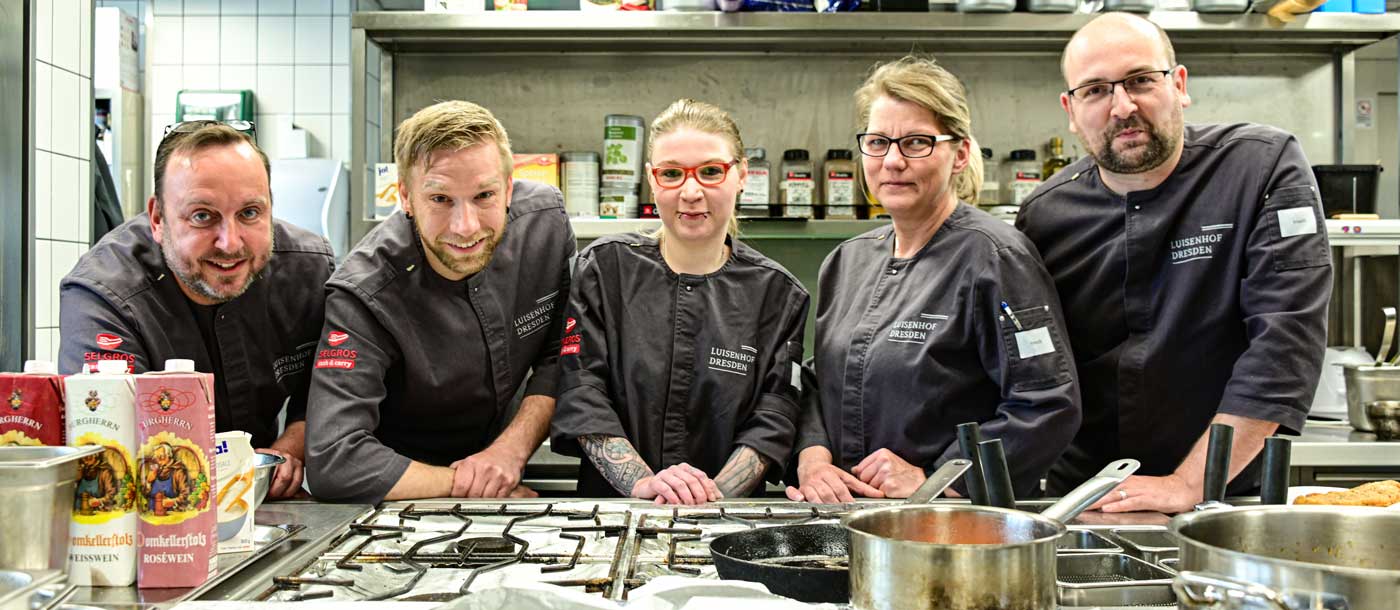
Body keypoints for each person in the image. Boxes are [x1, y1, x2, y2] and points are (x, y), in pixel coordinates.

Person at [1016, 13, 1331, 514]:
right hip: (1084, 498)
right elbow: (1025, 366)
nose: (1123, 107)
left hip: (1227, 494)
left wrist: (1189, 484)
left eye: (1141, 80)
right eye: (1095, 90)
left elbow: (1285, 339)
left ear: (1179, 84)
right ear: (1071, 110)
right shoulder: (1044, 214)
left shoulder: (1261, 167)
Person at [787, 56, 1081, 504]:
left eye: (917, 143)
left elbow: (1047, 403)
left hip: (950, 525)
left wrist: (939, 478)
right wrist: (813, 458)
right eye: (878, 142)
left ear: (959, 154)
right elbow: (820, 378)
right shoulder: (847, 261)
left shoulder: (996, 257)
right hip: (849, 516)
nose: (893, 161)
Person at [304, 100, 574, 504]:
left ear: (508, 188)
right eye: (440, 199)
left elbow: (560, 354)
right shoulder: (363, 294)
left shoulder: (544, 223)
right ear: (406, 197)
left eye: (484, 195)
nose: (465, 227)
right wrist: (471, 484)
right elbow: (335, 459)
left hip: (505, 466)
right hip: (401, 492)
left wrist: (509, 451)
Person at [550, 99, 810, 504]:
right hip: (613, 516)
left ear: (742, 175)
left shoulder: (779, 294)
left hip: (729, 522)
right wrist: (644, 485)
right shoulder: (603, 268)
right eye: (672, 174)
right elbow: (583, 392)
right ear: (652, 180)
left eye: (711, 171)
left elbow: (773, 418)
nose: (691, 192)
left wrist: (708, 500)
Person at [59, 121, 335, 500]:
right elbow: (108, 443)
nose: (230, 243)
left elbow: (330, 396)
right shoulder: (105, 296)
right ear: (158, 219)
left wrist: (285, 452)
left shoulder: (309, 271)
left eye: (250, 213)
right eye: (202, 216)